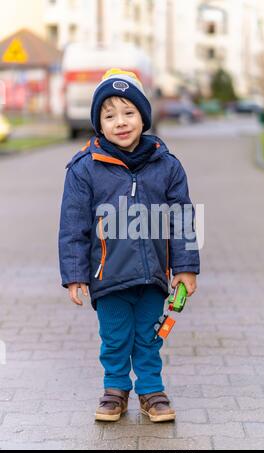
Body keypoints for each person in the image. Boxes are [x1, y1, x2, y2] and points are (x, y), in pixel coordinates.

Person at [58, 68, 200, 423]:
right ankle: (115, 389)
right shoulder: (84, 168)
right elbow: (73, 226)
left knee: (149, 338)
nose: (120, 122)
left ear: (143, 117)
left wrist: (185, 268)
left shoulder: (167, 165)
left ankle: (152, 391)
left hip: (153, 273)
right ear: (98, 124)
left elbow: (182, 219)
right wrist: (75, 274)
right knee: (115, 337)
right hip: (108, 277)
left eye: (128, 113)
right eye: (109, 116)